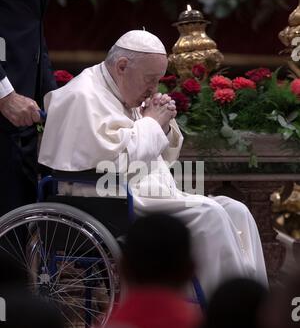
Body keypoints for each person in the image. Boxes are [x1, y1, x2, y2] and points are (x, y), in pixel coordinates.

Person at [38, 29, 268, 296]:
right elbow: (110, 164)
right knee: (211, 214)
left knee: (237, 210)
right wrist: (152, 122)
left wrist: (165, 127)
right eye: (150, 79)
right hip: (107, 198)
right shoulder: (82, 96)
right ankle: (221, 314)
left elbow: (156, 155)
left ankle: (251, 310)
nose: (154, 89)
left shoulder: (120, 88)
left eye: (157, 80)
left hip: (142, 194)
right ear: (122, 66)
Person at [0, 0, 57, 216]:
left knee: (16, 230)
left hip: (22, 118)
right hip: (7, 101)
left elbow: (33, 29)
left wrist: (53, 100)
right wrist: (5, 95)